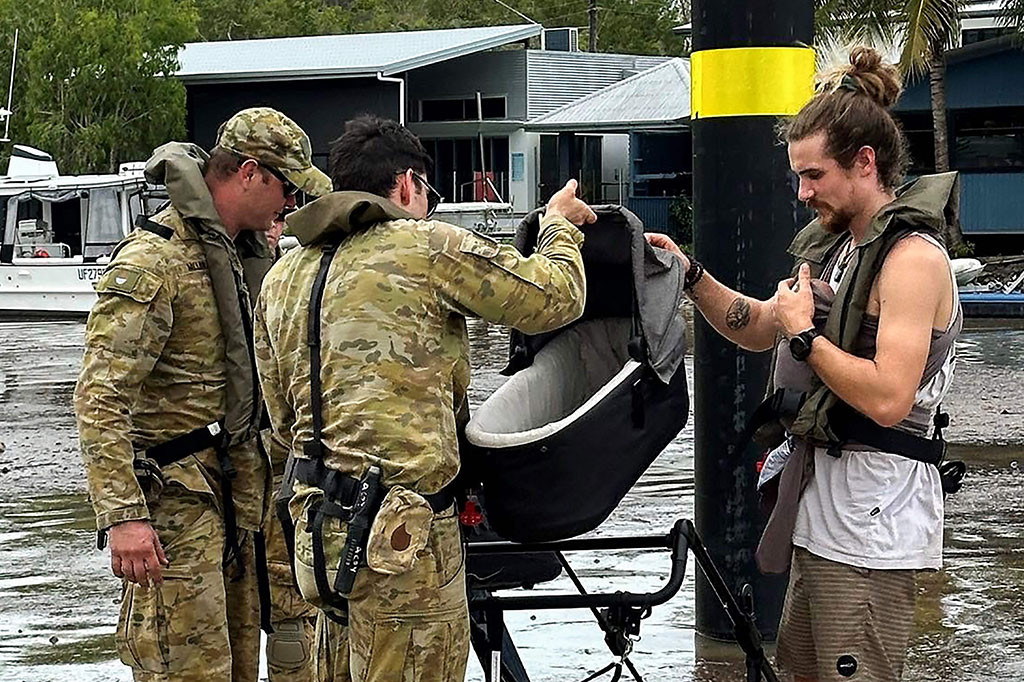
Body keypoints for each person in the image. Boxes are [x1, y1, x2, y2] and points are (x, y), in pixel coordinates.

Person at [648, 47, 962, 682]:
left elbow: (888, 398)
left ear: (865, 163)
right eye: (798, 175)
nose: (801, 192)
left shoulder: (912, 261)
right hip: (822, 513)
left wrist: (804, 339)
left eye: (814, 175)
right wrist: (692, 276)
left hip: (875, 526)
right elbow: (765, 325)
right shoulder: (840, 247)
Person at [253, 115, 595, 682]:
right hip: (403, 537)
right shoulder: (426, 246)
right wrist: (559, 225)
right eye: (426, 194)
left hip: (315, 529)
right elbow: (555, 298)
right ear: (408, 184)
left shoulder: (284, 274)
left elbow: (282, 419)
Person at [75, 107, 331, 682]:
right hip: (174, 508)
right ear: (249, 174)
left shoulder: (239, 259)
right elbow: (99, 398)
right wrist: (123, 519)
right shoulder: (154, 263)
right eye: (285, 188)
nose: (289, 205)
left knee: (237, 668)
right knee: (186, 669)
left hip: (235, 500)